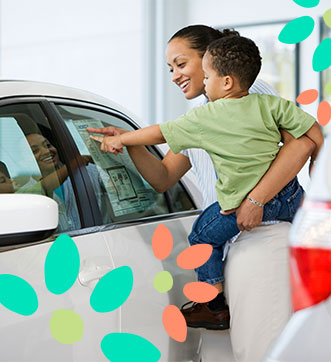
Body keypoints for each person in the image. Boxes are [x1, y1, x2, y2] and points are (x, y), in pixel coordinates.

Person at [88, 25, 316, 362]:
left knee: (261, 349)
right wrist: (130, 141)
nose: (175, 75)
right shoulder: (199, 118)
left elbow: (301, 144)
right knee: (229, 352)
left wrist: (255, 201)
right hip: (231, 238)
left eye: (181, 64)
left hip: (262, 233)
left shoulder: (250, 94)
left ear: (212, 59)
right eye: (170, 69)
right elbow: (163, 177)